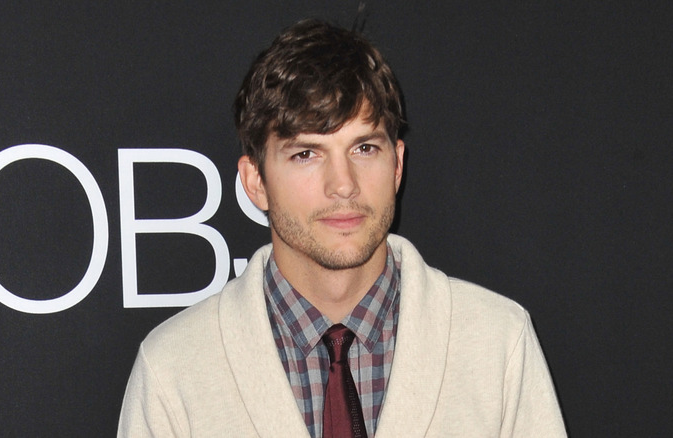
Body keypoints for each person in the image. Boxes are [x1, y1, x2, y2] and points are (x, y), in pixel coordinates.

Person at [118, 19, 566, 437]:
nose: (343, 185)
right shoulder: (173, 370)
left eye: (365, 148)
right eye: (306, 154)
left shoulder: (497, 343)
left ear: (397, 165)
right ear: (256, 182)